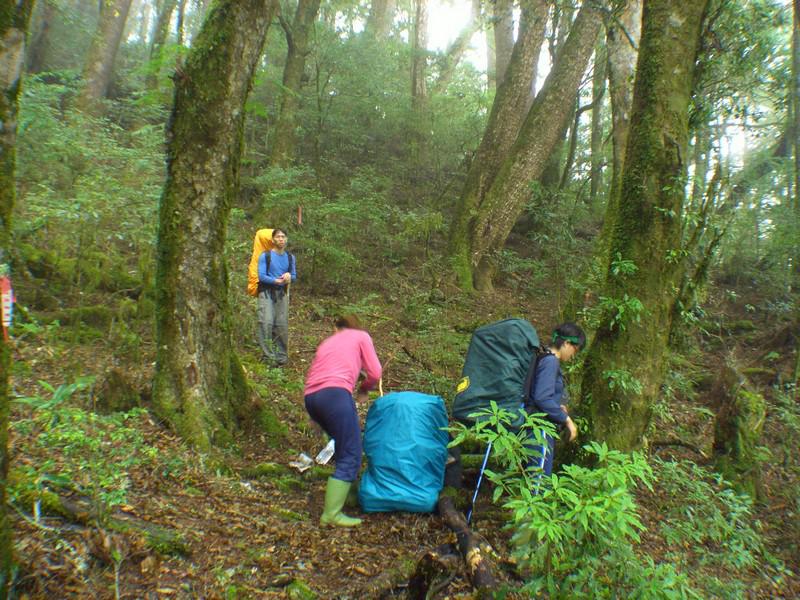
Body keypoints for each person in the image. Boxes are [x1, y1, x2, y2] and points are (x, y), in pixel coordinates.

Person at [304, 315, 382, 527]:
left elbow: (315, 373)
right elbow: (375, 372)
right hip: (335, 394)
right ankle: (332, 514)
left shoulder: (327, 342)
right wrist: (364, 389)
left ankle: (348, 495)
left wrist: (314, 415)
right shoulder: (361, 336)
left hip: (311, 397)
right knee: (351, 452)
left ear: (339, 327)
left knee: (343, 444)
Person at [527, 322, 585, 477]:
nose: (573, 355)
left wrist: (558, 406)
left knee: (533, 478)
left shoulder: (544, 357)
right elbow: (542, 398)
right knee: (539, 481)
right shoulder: (550, 361)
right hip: (540, 428)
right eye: (575, 349)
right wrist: (567, 420)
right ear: (566, 343)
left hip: (535, 426)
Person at [256, 228, 296, 366]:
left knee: (281, 325)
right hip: (266, 292)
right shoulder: (265, 256)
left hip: (282, 294)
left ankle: (281, 357)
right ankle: (268, 357)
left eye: (283, 236)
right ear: (273, 240)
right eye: (278, 237)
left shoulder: (290, 257)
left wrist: (289, 276)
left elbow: (294, 276)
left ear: (286, 239)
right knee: (266, 322)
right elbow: (261, 276)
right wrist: (275, 281)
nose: (281, 239)